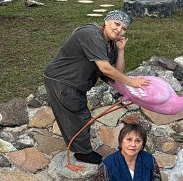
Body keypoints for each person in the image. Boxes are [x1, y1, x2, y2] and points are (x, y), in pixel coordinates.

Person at [44, 10, 151, 164]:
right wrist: (131, 82)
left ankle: (80, 148)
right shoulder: (91, 35)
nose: (119, 30)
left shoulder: (111, 43)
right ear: (106, 21)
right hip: (62, 80)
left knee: (78, 114)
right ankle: (82, 153)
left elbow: (117, 72)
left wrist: (121, 50)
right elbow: (106, 69)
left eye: (124, 28)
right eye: (116, 24)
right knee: (78, 116)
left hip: (77, 82)